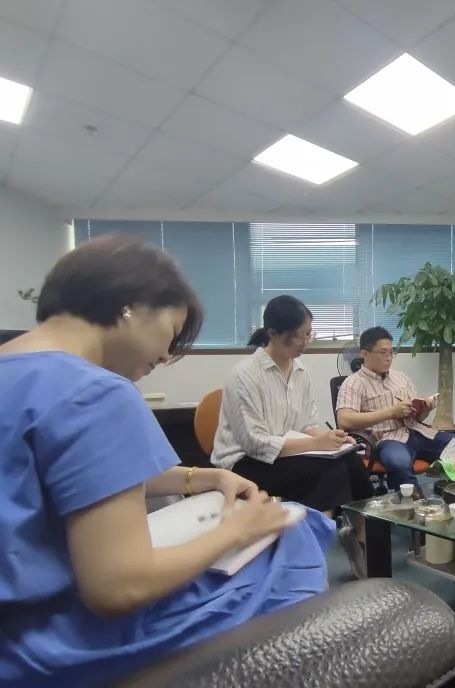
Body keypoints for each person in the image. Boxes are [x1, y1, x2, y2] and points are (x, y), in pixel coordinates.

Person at [0, 236, 334, 687]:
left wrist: (199, 476)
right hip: (43, 646)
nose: (167, 354)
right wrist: (235, 531)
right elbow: (120, 586)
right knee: (294, 531)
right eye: (172, 331)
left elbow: (76, 473)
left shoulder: (18, 368)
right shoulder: (96, 391)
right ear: (132, 306)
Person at [211, 295, 373, 577]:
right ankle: (309, 551)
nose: (305, 342)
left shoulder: (301, 372)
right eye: (299, 336)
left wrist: (332, 439)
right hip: (244, 462)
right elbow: (255, 443)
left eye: (309, 334)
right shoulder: (244, 375)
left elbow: (308, 423)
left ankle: (358, 538)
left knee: (349, 460)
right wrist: (315, 443)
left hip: (290, 454)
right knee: (330, 471)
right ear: (273, 333)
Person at [336, 326, 455, 490]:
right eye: (383, 353)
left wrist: (424, 409)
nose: (389, 358)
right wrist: (390, 412)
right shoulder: (353, 383)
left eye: (391, 352)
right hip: (388, 439)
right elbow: (344, 420)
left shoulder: (400, 377)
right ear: (365, 354)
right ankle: (413, 502)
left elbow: (417, 418)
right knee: (398, 462)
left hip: (419, 433)